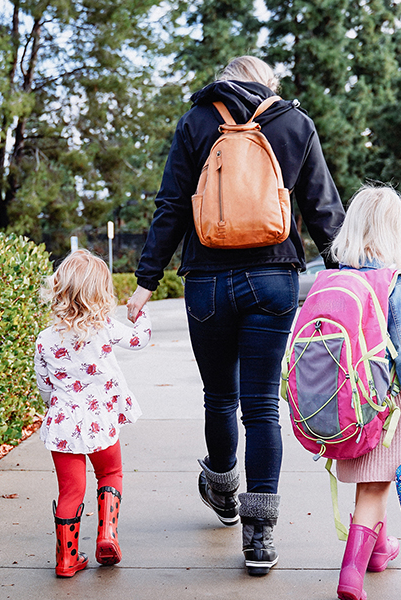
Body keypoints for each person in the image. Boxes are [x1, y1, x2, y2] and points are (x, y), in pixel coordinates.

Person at [126, 55, 345, 575]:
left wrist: (145, 282)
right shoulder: (295, 122)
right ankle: (260, 535)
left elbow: (172, 205)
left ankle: (222, 488)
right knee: (262, 406)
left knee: (220, 396)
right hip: (273, 278)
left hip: (207, 281)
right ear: (267, 83)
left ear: (225, 78)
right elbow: (322, 207)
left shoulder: (198, 120)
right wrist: (343, 274)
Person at [329, 185, 401, 600]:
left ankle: (379, 553)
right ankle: (350, 578)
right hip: (384, 407)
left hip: (344, 402)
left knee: (374, 481)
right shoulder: (396, 284)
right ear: (397, 232)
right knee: (373, 489)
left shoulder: (338, 277)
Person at [34, 249, 151, 578]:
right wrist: (141, 316)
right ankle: (107, 535)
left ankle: (66, 559)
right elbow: (140, 340)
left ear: (60, 290)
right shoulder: (105, 328)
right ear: (101, 293)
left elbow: (45, 386)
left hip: (63, 425)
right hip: (100, 421)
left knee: (70, 490)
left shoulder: (44, 340)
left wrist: (55, 407)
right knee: (110, 473)